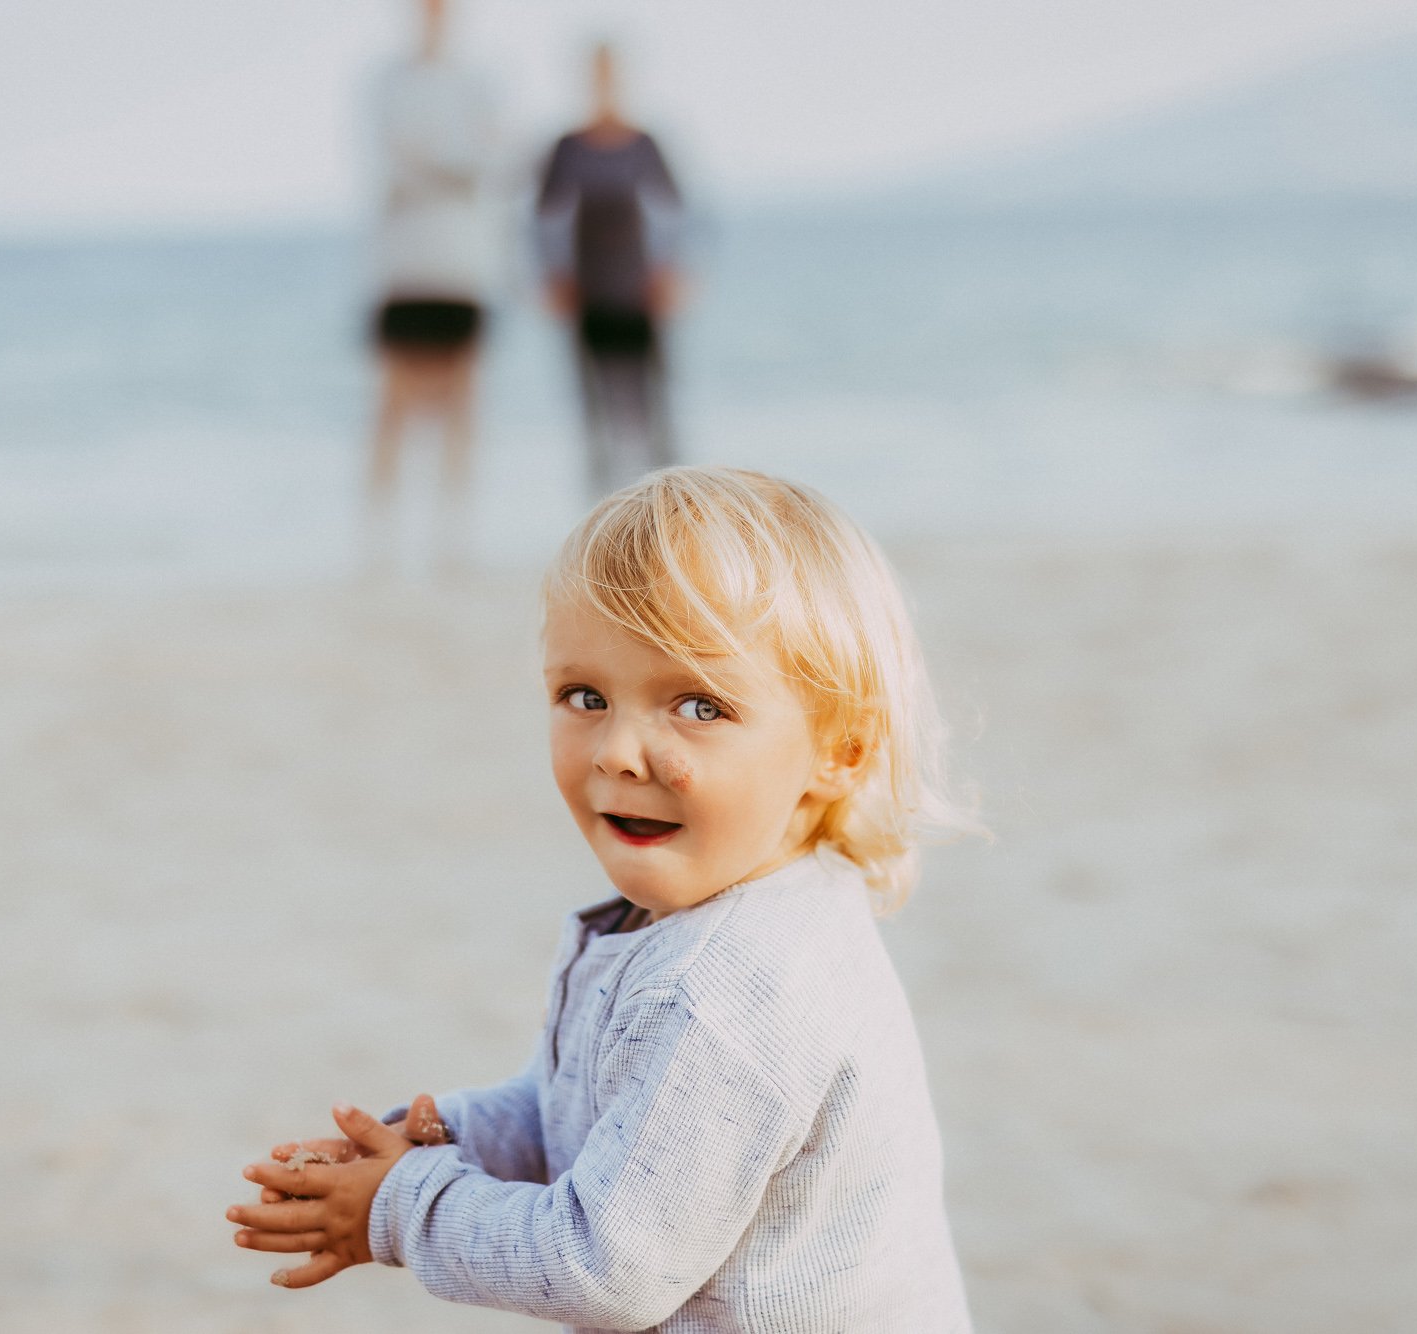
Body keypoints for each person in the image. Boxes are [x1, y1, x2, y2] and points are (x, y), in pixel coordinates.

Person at [227, 467, 975, 1331]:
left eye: (698, 705)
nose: (619, 750)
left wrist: (399, 1206)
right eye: (586, 696)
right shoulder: (765, 903)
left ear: (840, 748)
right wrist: (446, 1141)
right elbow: (602, 1112)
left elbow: (604, 1265)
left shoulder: (721, 994)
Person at [362, 0, 501, 568]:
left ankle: (454, 536)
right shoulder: (389, 82)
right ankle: (378, 539)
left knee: (462, 405)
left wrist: (436, 159)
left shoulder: (476, 81)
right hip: (403, 265)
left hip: (462, 264)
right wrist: (449, 160)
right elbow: (395, 161)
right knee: (391, 407)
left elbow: (487, 162)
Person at [536, 42, 685, 500]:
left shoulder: (644, 144)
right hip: (589, 293)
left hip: (640, 293)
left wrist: (672, 273)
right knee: (595, 411)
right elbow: (542, 221)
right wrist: (552, 277)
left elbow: (678, 214)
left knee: (653, 408)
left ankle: (667, 509)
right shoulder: (567, 147)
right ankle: (602, 512)